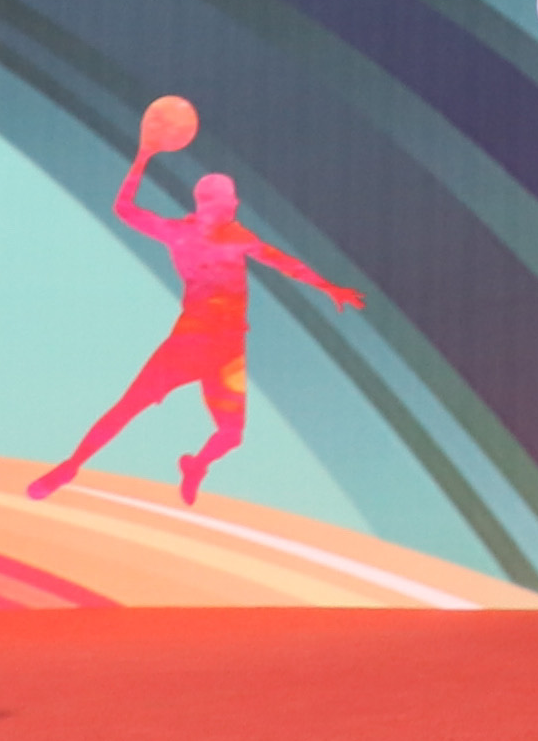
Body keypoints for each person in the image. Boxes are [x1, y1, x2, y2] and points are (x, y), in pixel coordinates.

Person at [22, 94, 370, 509]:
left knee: (224, 432)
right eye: (232, 200)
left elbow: (125, 209)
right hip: (201, 345)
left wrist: (143, 157)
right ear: (222, 204)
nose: (236, 205)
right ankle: (69, 467)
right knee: (138, 410)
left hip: (220, 349)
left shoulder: (194, 234)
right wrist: (329, 288)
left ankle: (191, 466)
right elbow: (285, 264)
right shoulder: (218, 236)